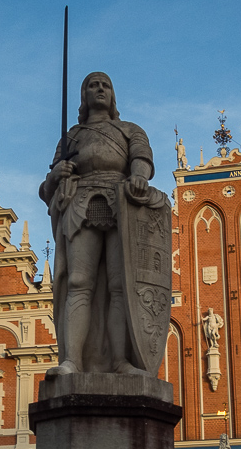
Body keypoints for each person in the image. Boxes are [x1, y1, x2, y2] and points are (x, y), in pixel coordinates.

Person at [39, 71, 170, 377]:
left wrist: (138, 175)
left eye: (105, 85)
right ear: (84, 97)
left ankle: (120, 361)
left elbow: (142, 160)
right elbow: (48, 189)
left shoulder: (129, 130)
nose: (99, 89)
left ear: (113, 95)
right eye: (92, 85)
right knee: (79, 283)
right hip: (80, 202)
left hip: (120, 204)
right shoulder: (70, 137)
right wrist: (57, 174)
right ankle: (72, 360)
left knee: (119, 286)